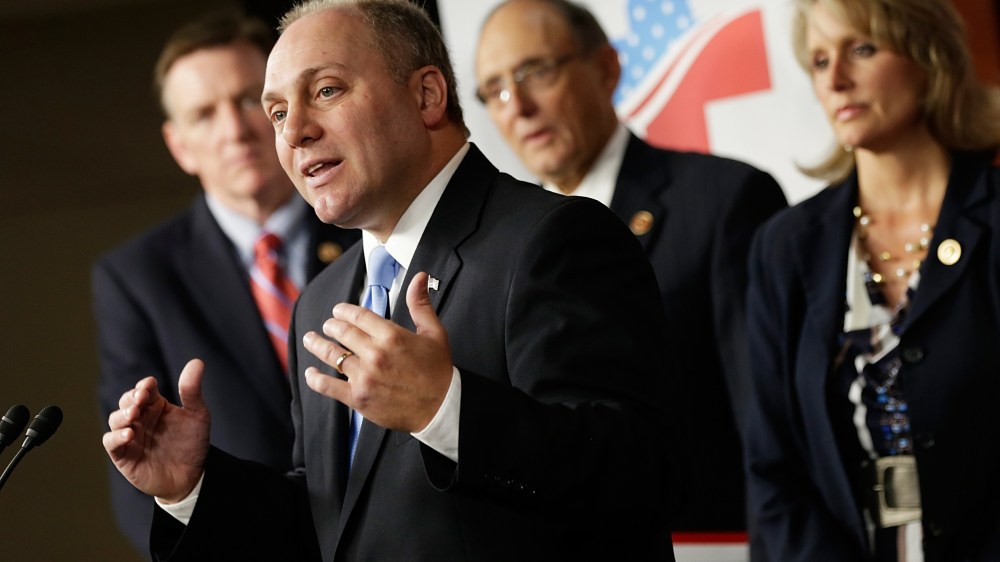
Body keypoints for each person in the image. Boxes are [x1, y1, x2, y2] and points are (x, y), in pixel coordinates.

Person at [102, 0, 675, 559]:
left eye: (326, 91)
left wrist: (446, 410)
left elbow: (631, 472)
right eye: (277, 112)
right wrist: (194, 489)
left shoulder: (552, 238)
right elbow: (333, 524)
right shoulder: (322, 299)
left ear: (426, 95)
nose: (294, 131)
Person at [474, 0, 787, 536]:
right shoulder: (495, 251)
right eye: (495, 89)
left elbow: (769, 428)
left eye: (535, 72)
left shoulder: (724, 201)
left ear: (606, 68)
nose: (517, 106)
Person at [91, 12, 359, 554]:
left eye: (248, 101)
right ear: (179, 146)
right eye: (204, 114)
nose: (235, 130)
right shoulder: (136, 278)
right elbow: (143, 478)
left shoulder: (366, 226)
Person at [744, 0, 1000, 560]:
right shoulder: (785, 246)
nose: (835, 80)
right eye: (818, 61)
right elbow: (772, 466)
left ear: (929, 59)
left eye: (861, 49)